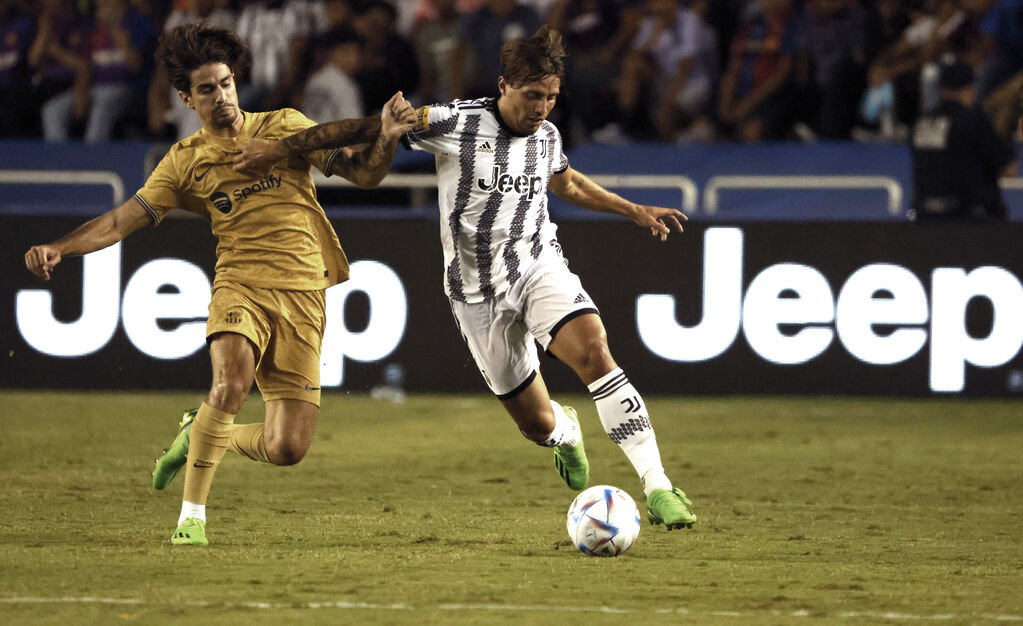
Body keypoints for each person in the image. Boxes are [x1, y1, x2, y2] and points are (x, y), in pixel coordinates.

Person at [236, 25, 698, 530]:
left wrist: (631, 210)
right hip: (475, 295)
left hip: (538, 266)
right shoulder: (454, 122)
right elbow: (365, 128)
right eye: (531, 96)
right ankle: (565, 432)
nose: (541, 107)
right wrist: (282, 150)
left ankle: (658, 486)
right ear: (504, 86)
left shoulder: (545, 135)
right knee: (536, 423)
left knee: (594, 352)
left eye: (550, 97)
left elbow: (566, 181)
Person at [24, 23, 417, 546]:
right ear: (186, 98)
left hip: (303, 293)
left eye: (227, 83)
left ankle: (204, 432)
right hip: (240, 284)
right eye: (207, 89)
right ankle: (192, 518)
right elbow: (121, 222)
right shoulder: (184, 162)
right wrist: (60, 247)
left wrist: (386, 137)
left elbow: (364, 176)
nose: (222, 97)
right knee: (230, 383)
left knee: (287, 448)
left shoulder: (282, 126)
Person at [909, 60, 1017, 222]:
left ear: (940, 89)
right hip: (969, 222)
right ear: (969, 89)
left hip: (925, 218)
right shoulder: (971, 121)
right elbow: (1008, 168)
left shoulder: (920, 123)